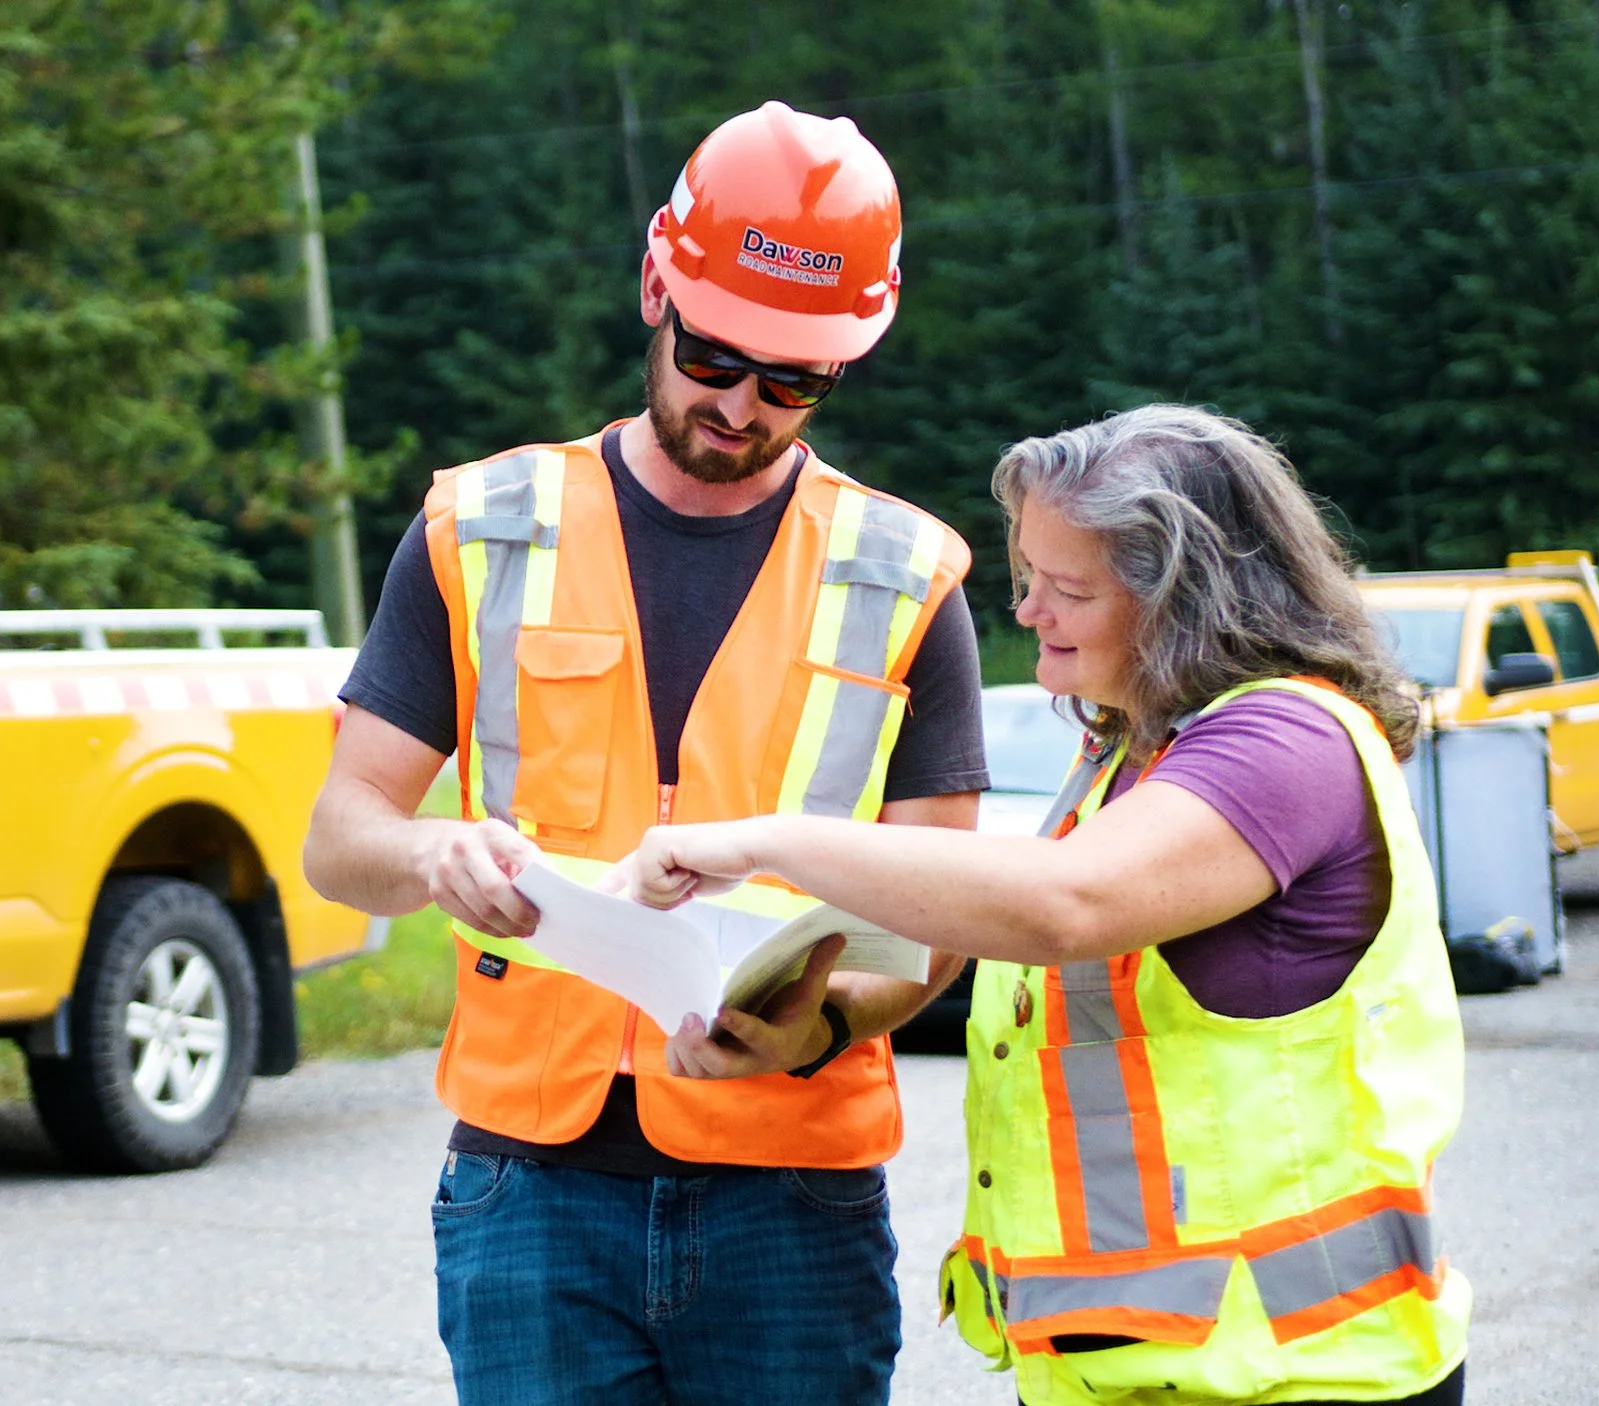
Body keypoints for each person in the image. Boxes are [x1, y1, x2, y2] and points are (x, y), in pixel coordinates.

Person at [301, 101, 987, 1404]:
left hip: (792, 1192)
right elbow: (342, 838)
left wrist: (809, 1032)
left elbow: (934, 926)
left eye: (793, 381)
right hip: (532, 1189)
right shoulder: (482, 526)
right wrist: (433, 853)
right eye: (718, 357)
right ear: (656, 289)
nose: (741, 406)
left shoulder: (909, 578)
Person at [615, 404, 1472, 1406]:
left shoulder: (1284, 742)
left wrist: (762, 840)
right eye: (1027, 578)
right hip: (1138, 1368)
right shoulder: (1128, 756)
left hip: (1293, 1373)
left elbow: (1065, 904)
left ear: (1187, 599)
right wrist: (820, 1020)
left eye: (1067, 587)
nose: (1028, 613)